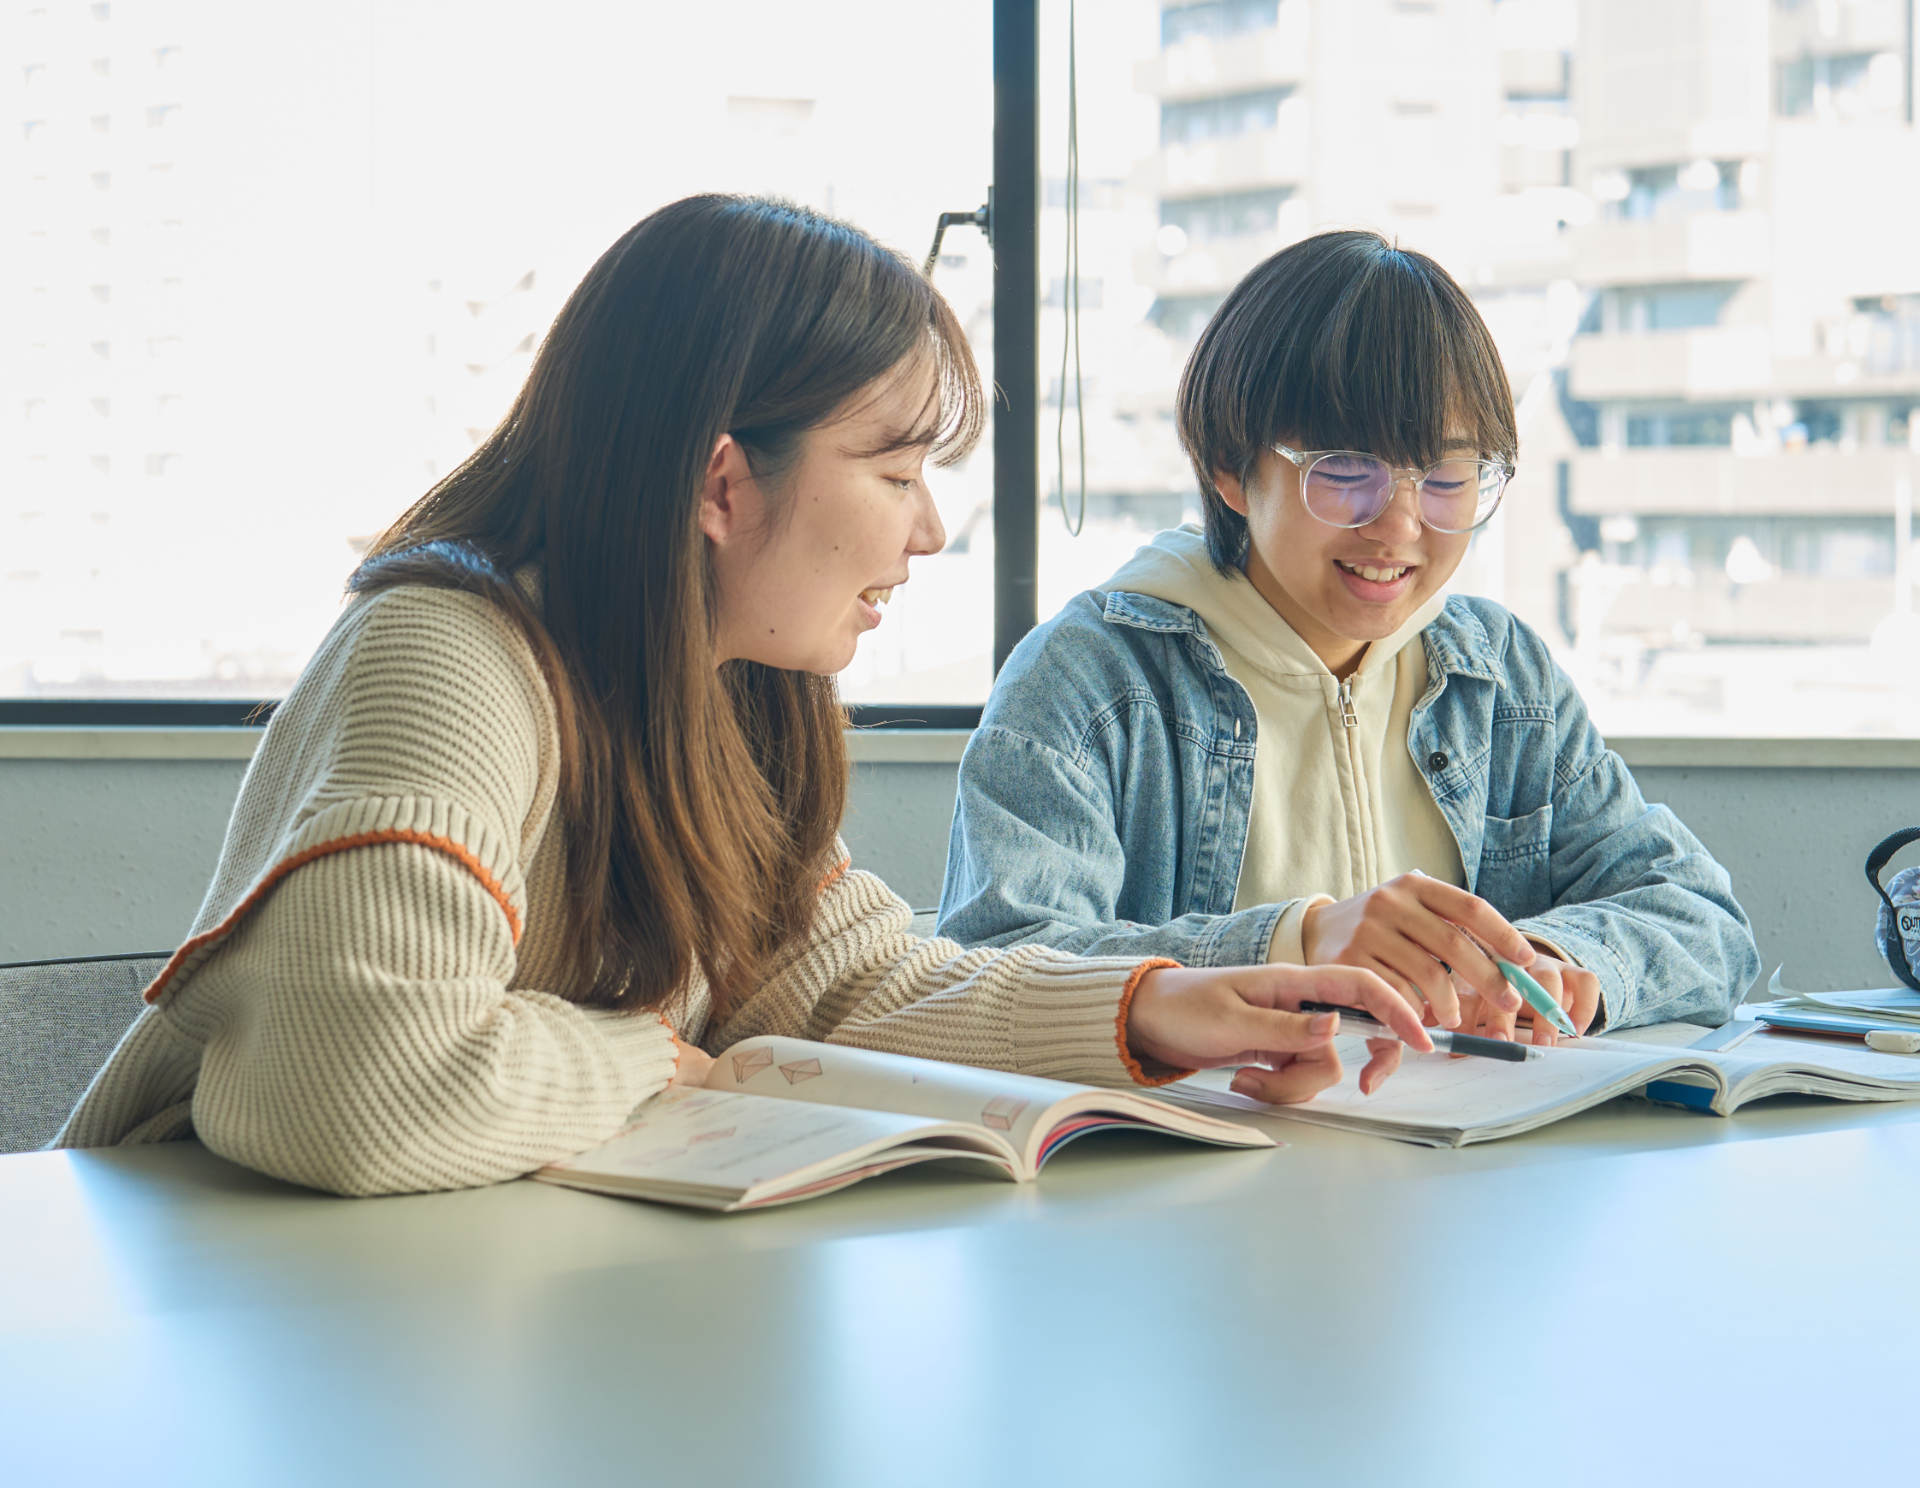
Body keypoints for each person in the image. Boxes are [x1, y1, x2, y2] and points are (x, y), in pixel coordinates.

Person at [54, 199, 1434, 1196]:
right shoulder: (447, 656)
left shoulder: (730, 688)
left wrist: (1151, 1008)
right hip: (220, 1313)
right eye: (896, 475)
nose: (932, 531)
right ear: (724, 483)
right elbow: (354, 1094)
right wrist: (649, 1055)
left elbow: (838, 985)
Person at [939, 230, 1759, 1068]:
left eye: (1445, 479)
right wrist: (1294, 944)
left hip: (1468, 1174)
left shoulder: (1501, 677)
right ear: (1230, 465)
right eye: (1344, 471)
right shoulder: (1092, 682)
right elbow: (989, 980)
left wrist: (1560, 964)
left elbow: (1700, 916)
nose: (1399, 526)